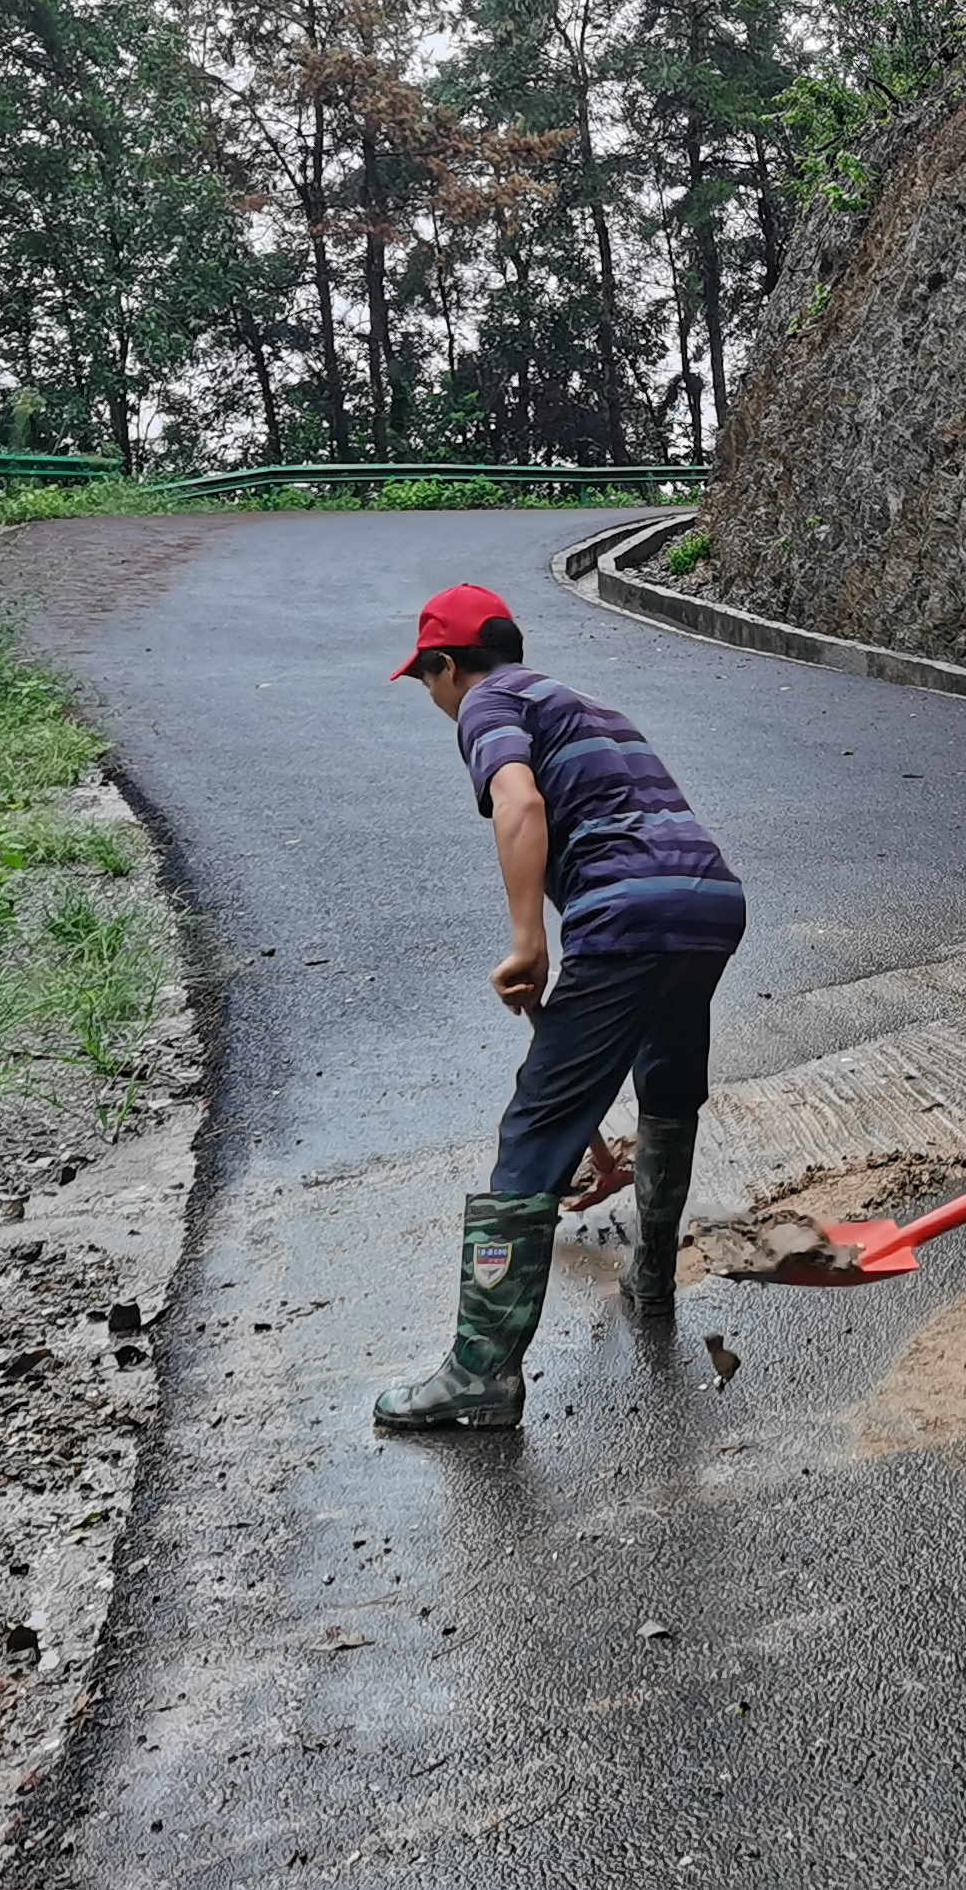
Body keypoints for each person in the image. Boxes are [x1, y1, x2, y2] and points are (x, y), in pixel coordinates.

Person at [372, 583, 748, 1431]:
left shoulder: (488, 701)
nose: (433, 699)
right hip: (709, 902)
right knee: (668, 1087)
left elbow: (520, 803)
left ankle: (480, 1373)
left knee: (534, 1134)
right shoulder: (584, 704)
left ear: (445, 664)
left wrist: (527, 941)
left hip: (628, 915)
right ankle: (650, 1278)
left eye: (427, 681)